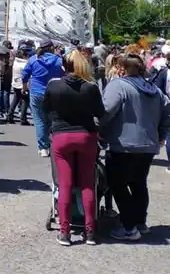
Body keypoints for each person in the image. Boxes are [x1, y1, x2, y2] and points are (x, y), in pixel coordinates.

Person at [100, 53, 170, 241]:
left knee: (117, 184)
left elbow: (106, 110)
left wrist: (98, 129)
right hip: (148, 144)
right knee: (138, 183)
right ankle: (140, 222)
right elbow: (169, 112)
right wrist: (161, 135)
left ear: (122, 69)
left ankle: (128, 227)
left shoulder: (118, 85)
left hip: (122, 144)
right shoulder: (154, 90)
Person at [43, 50, 106, 246]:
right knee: (87, 184)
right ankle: (90, 232)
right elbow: (100, 113)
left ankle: (64, 232)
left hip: (61, 136)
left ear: (64, 66)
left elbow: (45, 110)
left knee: (65, 185)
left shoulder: (54, 85)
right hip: (86, 135)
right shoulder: (90, 87)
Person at [22, 40, 64, 157]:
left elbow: (25, 74)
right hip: (54, 92)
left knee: (39, 120)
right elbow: (64, 75)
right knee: (52, 120)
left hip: (36, 92)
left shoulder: (34, 59)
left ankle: (43, 147)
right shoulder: (59, 60)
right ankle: (54, 144)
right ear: (52, 48)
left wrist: (24, 87)